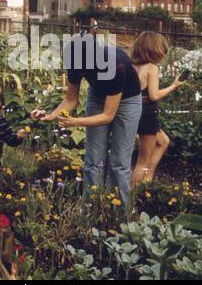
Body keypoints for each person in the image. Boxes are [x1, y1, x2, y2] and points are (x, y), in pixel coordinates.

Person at [31, 37, 142, 211]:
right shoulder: (75, 63)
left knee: (119, 162)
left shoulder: (115, 64)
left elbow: (107, 116)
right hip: (97, 96)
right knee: (93, 160)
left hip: (127, 101)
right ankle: (90, 211)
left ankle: (119, 215)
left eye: (84, 69)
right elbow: (70, 100)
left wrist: (75, 122)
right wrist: (50, 115)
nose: (81, 73)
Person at [130, 32, 186, 187]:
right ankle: (132, 195)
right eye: (162, 49)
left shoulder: (133, 66)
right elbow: (154, 95)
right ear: (154, 49)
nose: (163, 53)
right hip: (148, 112)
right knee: (142, 160)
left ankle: (148, 179)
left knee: (163, 141)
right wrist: (174, 86)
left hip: (135, 110)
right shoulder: (151, 68)